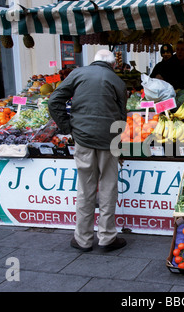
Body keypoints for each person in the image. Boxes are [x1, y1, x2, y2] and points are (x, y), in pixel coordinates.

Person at [48, 49, 128, 252]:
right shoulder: (117, 80)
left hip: (83, 138)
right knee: (108, 187)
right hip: (108, 140)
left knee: (85, 188)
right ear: (112, 64)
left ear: (94, 61)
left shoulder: (78, 73)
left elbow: (54, 101)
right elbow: (121, 116)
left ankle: (82, 239)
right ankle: (107, 237)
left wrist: (68, 127)